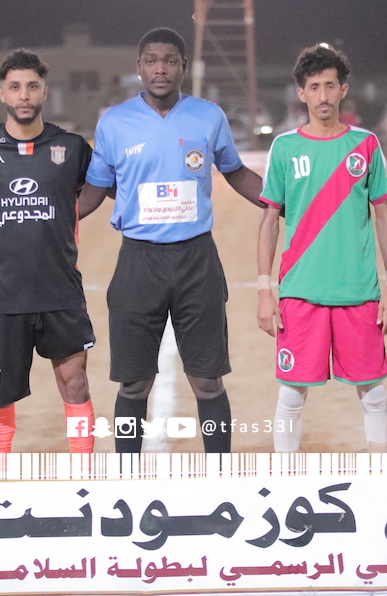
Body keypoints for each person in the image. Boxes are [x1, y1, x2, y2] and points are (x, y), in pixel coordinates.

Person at [78, 27, 265, 453]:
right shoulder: (114, 123)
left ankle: (219, 474)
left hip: (197, 260)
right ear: (139, 67)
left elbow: (236, 173)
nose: (160, 69)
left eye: (169, 61)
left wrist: (288, 204)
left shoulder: (208, 116)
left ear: (183, 66)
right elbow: (93, 191)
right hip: (138, 261)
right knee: (133, 383)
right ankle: (128, 476)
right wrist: (45, 219)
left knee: (208, 381)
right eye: (151, 61)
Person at [0, 49, 96, 454]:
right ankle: (0, 480)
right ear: (2, 94)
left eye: (32, 86)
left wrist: (67, 211)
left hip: (61, 292)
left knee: (76, 384)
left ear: (44, 90)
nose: (24, 94)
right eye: (15, 87)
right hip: (2, 297)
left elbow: (102, 188)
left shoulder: (71, 147)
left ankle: (85, 475)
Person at [257, 44, 387, 453]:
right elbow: (269, 222)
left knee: (374, 395)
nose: (323, 95)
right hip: (301, 292)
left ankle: (382, 480)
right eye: (314, 87)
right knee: (290, 396)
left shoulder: (365, 144)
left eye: (330, 86)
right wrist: (265, 291)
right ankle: (284, 483)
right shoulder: (285, 148)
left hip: (359, 292)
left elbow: (384, 217)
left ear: (343, 90)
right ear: (301, 93)